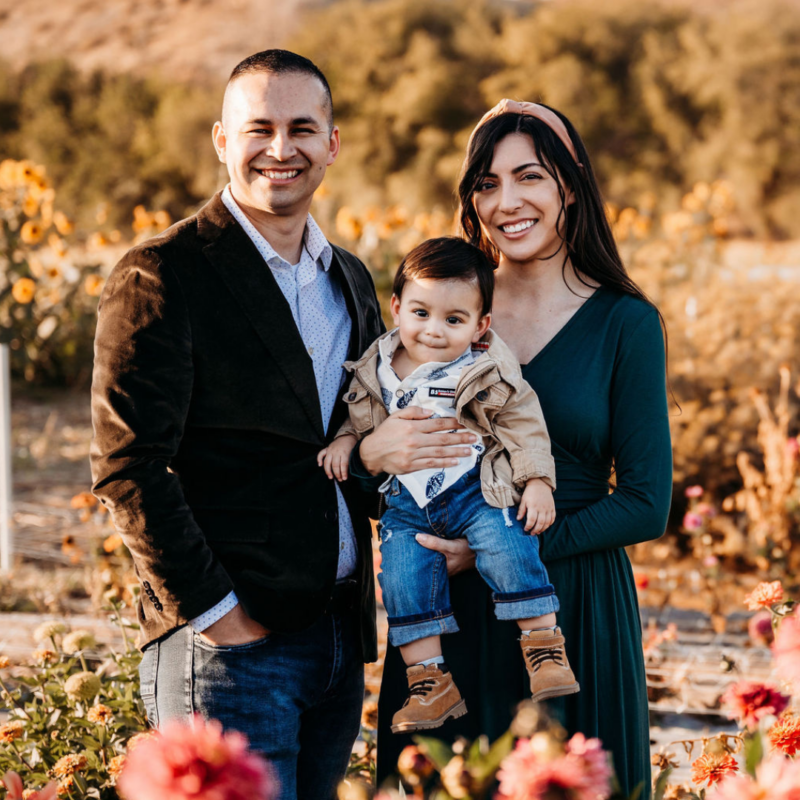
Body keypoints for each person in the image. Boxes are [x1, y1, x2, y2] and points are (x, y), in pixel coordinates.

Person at [89, 49, 477, 800]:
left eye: (303, 127)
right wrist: (216, 614)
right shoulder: (163, 272)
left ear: (332, 143)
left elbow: (360, 439)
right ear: (220, 140)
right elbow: (127, 466)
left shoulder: (351, 278)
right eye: (258, 127)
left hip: (338, 638)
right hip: (230, 647)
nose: (281, 148)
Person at [361, 101, 672, 798]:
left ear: (569, 184)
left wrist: (503, 547)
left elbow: (648, 505)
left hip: (572, 608)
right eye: (486, 184)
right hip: (445, 613)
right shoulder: (442, 305)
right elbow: (375, 439)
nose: (506, 202)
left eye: (528, 176)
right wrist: (374, 453)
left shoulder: (625, 322)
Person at [319, 236, 578, 735]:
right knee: (399, 578)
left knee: (508, 544)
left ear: (481, 325)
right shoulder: (376, 365)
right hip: (406, 502)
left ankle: (544, 647)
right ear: (396, 307)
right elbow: (360, 413)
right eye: (420, 313)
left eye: (454, 320)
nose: (434, 331)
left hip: (474, 490)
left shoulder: (482, 366)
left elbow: (522, 422)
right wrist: (348, 441)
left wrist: (539, 481)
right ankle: (429, 683)